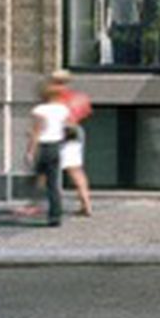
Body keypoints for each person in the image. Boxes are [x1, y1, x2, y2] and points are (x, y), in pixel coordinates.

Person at [26, 80, 71, 227]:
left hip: (44, 146)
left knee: (38, 177)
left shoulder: (40, 110)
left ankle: (34, 203)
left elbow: (36, 131)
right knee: (53, 183)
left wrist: (30, 151)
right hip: (56, 146)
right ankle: (55, 216)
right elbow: (67, 127)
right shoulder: (62, 109)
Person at [52, 70, 94, 217]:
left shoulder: (56, 100)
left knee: (52, 171)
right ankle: (86, 204)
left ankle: (48, 205)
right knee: (76, 171)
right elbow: (86, 111)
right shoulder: (79, 97)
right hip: (75, 131)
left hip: (62, 133)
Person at [103, 0, 143, 66]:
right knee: (119, 60)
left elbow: (140, 8)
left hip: (133, 27)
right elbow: (105, 8)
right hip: (118, 27)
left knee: (134, 60)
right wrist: (105, 26)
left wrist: (141, 27)